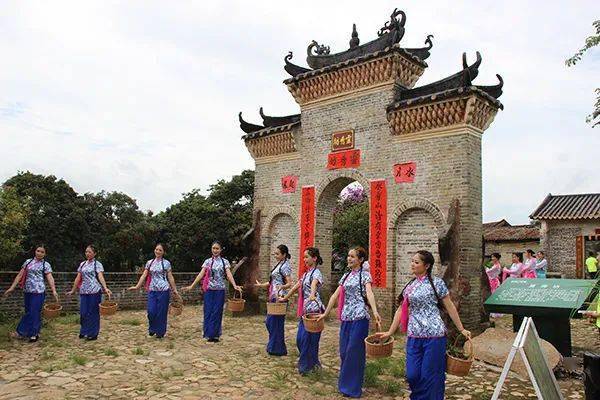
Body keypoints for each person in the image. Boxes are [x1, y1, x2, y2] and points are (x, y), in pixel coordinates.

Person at [375, 250, 471, 400]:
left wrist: (461, 328)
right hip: (414, 335)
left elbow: (450, 306)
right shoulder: (410, 286)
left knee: (430, 374)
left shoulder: (437, 283)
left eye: (416, 262)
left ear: (427, 265)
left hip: (434, 335)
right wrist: (390, 332)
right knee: (412, 375)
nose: (412, 264)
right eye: (412, 261)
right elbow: (401, 310)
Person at [318, 247, 381, 398]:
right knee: (344, 351)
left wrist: (375, 311)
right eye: (348, 256)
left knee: (355, 351)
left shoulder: (365, 275)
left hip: (360, 317)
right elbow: (335, 296)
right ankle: (345, 383)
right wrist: (325, 313)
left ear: (360, 260)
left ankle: (353, 388)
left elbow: (369, 293)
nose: (349, 258)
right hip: (346, 317)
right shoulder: (345, 276)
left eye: (353, 256)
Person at [182, 241, 242, 342]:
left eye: (217, 248)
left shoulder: (225, 262)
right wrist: (192, 286)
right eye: (213, 248)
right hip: (209, 290)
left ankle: (215, 335)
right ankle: (208, 333)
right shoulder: (207, 262)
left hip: (220, 290)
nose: (215, 250)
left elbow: (229, 274)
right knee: (208, 311)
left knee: (217, 312)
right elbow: (201, 274)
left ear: (221, 250)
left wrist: (234, 285)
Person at [279, 247, 325, 375]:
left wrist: (312, 294)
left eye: (306, 257)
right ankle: (313, 362)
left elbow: (315, 284)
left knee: (310, 339)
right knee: (301, 339)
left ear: (314, 258)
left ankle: (306, 367)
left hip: (314, 310)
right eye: (304, 257)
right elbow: (295, 287)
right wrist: (285, 298)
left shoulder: (316, 273)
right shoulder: (305, 274)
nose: (304, 259)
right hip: (305, 310)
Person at [3, 245, 59, 342]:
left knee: (34, 311)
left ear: (45, 254)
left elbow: (50, 278)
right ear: (35, 251)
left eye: (42, 252)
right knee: (29, 312)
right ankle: (29, 332)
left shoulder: (45, 264)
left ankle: (31, 333)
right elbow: (20, 275)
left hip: (39, 292)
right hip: (27, 291)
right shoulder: (28, 262)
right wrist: (11, 288)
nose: (39, 253)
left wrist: (54, 290)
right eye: (38, 251)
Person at [128, 243, 182, 338]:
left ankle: (160, 332)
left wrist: (174, 289)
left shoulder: (166, 263)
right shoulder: (149, 263)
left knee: (161, 312)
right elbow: (144, 275)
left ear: (163, 252)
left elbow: (170, 276)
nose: (158, 251)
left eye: (160, 250)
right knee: (151, 311)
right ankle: (152, 328)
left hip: (164, 290)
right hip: (152, 290)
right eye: (156, 249)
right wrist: (137, 286)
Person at [67, 245, 112, 340]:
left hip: (94, 291)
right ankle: (84, 330)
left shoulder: (97, 264)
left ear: (94, 254)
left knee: (93, 312)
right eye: (86, 252)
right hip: (84, 291)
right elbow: (78, 278)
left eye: (90, 252)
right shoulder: (83, 264)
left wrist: (105, 287)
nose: (87, 254)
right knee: (83, 312)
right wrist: (73, 290)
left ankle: (93, 333)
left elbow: (100, 276)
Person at [255, 244, 293, 356]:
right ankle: (275, 346)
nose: (275, 255)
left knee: (275, 322)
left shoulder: (285, 266)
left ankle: (277, 348)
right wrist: (261, 285)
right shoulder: (279, 265)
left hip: (280, 298)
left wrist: (282, 287)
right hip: (273, 296)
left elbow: (289, 283)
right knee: (270, 322)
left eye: (277, 254)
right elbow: (273, 282)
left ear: (284, 254)